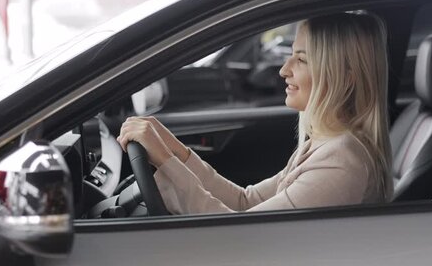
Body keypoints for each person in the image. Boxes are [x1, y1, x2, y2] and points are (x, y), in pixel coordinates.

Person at [117, 12, 393, 214]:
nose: (284, 70)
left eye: (301, 59)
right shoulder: (325, 145)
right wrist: (176, 150)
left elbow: (240, 236)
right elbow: (245, 202)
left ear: (346, 78)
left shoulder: (342, 161)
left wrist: (166, 162)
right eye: (290, 54)